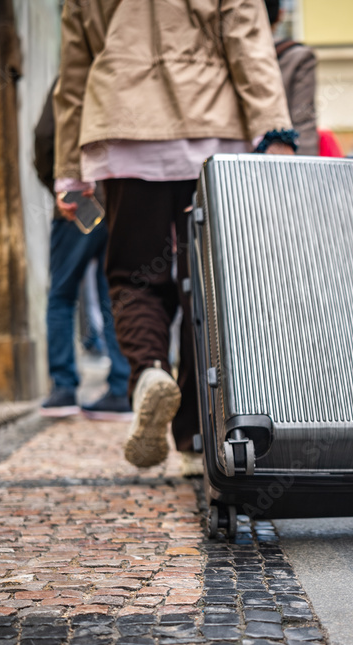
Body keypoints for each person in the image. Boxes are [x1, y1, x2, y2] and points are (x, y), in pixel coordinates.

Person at [55, 0, 295, 474]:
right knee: (207, 285)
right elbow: (248, 40)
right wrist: (275, 131)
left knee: (133, 275)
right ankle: (195, 437)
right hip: (212, 130)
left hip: (123, 128)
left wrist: (68, 170)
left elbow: (74, 68)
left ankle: (148, 371)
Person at [34, 79, 131, 421]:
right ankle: (122, 388)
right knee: (114, 293)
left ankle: (63, 388)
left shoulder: (71, 77)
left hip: (77, 198)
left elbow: (45, 135)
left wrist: (57, 186)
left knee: (62, 295)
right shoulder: (120, 72)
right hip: (117, 197)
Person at [266, 0, 318, 156]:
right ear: (280, 14)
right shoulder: (298, 57)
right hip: (280, 158)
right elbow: (303, 120)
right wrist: (306, 166)